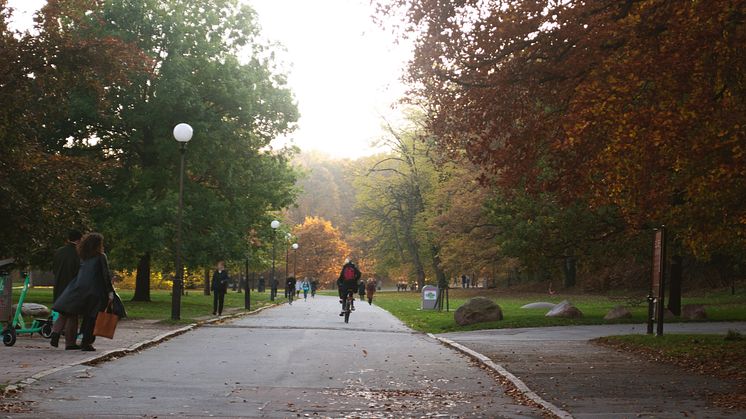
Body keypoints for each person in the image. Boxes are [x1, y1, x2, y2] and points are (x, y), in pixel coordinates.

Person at [52, 232, 115, 351]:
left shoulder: (83, 256)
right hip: (96, 291)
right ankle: (86, 342)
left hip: (80, 289)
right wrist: (110, 292)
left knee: (82, 315)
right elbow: (105, 275)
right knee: (93, 317)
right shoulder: (101, 256)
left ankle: (61, 335)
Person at [50, 230, 82, 350]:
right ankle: (70, 343)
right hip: (73, 287)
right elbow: (80, 271)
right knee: (73, 316)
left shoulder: (59, 252)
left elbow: (54, 269)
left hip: (59, 286)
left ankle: (55, 332)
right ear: (79, 239)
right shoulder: (78, 253)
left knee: (63, 313)